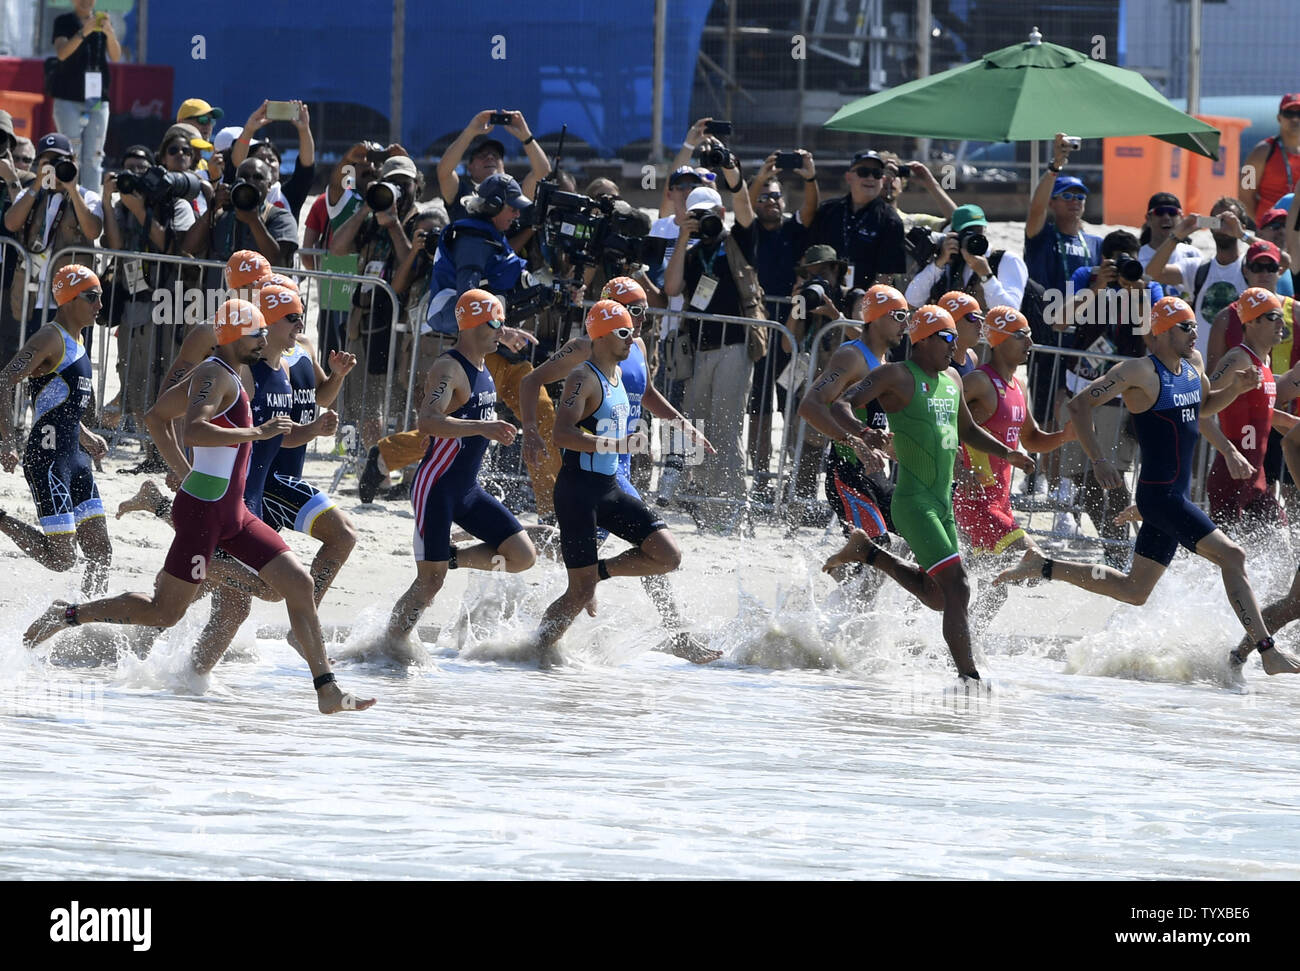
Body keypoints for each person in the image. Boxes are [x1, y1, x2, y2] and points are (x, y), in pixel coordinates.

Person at [24, 299, 376, 713]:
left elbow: (156, 416)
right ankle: (66, 615)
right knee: (163, 612)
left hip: (234, 514)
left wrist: (188, 469)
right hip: (204, 513)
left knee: (299, 583)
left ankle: (327, 689)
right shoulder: (213, 374)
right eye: (257, 331)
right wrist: (253, 432)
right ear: (232, 336)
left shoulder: (235, 372)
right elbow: (191, 427)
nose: (264, 337)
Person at [994, 297, 1300, 675]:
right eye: (1185, 327)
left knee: (1134, 591)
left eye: (1193, 327)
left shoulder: (1193, 366)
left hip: (1170, 497)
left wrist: (1235, 388)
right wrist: (1099, 459)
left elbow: (1204, 407)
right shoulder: (1139, 371)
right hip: (1160, 496)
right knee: (1233, 555)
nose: (1194, 334)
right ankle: (1267, 652)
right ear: (1162, 331)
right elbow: (1078, 405)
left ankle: (1044, 566)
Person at [821, 305, 1035, 682]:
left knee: (939, 596)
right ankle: (969, 678)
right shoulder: (897, 375)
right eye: (949, 338)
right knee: (960, 586)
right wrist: (860, 433)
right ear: (923, 339)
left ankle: (870, 552)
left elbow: (966, 430)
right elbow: (839, 402)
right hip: (914, 502)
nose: (955, 347)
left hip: (942, 503)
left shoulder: (953, 378)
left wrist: (1008, 453)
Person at [520, 277, 719, 663]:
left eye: (645, 309)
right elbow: (531, 381)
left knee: (647, 548)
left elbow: (645, 393)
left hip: (618, 467)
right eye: (635, 310)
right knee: (580, 556)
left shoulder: (637, 347)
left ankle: (675, 632)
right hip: (592, 464)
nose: (642, 320)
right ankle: (512, 539)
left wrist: (682, 424)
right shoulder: (582, 350)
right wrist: (530, 430)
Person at [384, 290, 539, 643]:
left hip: (467, 490)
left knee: (521, 556)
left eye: (503, 322)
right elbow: (427, 421)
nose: (502, 330)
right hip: (435, 488)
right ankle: (388, 647)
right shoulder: (449, 367)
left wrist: (503, 330)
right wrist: (483, 427)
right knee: (429, 583)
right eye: (495, 323)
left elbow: (490, 331)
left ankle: (454, 558)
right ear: (471, 325)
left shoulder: (484, 364)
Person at [0, 264, 110, 595]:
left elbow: (58, 405)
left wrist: (87, 437)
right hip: (47, 460)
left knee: (101, 551)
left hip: (76, 459)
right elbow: (5, 379)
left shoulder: (78, 339)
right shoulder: (49, 337)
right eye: (92, 297)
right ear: (68, 300)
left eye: (100, 297)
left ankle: (89, 622)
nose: (99, 306)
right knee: (62, 558)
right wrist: (7, 440)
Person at [663, 180, 762, 520]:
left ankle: (734, 503)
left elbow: (747, 214)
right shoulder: (690, 253)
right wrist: (682, 236)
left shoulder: (738, 243)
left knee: (726, 425)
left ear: (722, 213)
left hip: (733, 346)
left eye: (709, 215)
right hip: (699, 350)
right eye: (696, 216)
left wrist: (734, 178)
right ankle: (707, 500)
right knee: (697, 425)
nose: (705, 221)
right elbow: (672, 287)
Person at [954, 307, 1074, 558]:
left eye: (1029, 334)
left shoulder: (1017, 385)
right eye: (1020, 335)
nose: (1030, 341)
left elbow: (1031, 439)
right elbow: (938, 418)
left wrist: (1066, 435)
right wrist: (958, 465)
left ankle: (940, 577)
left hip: (1001, 503)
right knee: (1031, 562)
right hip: (977, 502)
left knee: (994, 590)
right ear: (998, 339)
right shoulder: (979, 381)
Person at [798, 284, 908, 549]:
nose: (906, 325)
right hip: (848, 474)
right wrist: (854, 440)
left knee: (917, 535)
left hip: (876, 475)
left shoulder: (880, 362)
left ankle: (841, 572)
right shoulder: (851, 357)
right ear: (879, 318)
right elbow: (810, 405)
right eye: (901, 316)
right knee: (876, 549)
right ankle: (834, 580)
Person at [1023, 134, 1101, 434]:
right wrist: (1055, 165)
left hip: (1082, 337)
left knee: (1074, 410)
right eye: (1067, 196)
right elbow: (1035, 210)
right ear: (1054, 201)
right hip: (1046, 333)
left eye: (1080, 196)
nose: (1075, 202)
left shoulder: (1094, 242)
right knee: (1044, 413)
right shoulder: (1042, 236)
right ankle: (1037, 478)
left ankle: (1064, 478)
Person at [1203, 287, 1295, 535]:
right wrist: (1230, 452)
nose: (1281, 323)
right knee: (1225, 558)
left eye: (1281, 316)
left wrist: (1292, 422)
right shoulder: (1238, 359)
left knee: (1279, 542)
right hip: (1231, 475)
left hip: (1256, 477)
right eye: (1272, 317)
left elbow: (1260, 411)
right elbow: (1199, 409)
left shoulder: (1262, 362)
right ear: (1251, 322)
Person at [3, 133, 104, 335]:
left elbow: (93, 231)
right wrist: (38, 184)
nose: (54, 169)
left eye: (59, 161)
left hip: (72, 299)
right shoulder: (31, 194)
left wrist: (72, 189)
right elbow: (11, 223)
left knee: (70, 360)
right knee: (37, 360)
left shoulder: (87, 196)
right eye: (47, 162)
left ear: (73, 162)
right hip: (34, 298)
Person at [1145, 200, 1250, 359]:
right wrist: (1177, 235)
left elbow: (1282, 261)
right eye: (1217, 220)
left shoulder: (1254, 268)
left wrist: (1243, 235)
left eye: (1228, 220)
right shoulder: (1198, 269)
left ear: (1242, 224)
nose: (1222, 226)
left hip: (1240, 369)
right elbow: (1152, 273)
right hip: (1200, 366)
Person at [807, 151, 905, 289]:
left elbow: (885, 276)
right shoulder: (827, 210)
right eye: (863, 172)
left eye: (876, 173)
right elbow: (809, 256)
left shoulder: (891, 221)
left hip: (865, 301)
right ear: (849, 177)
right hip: (824, 294)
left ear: (882, 180)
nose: (870, 178)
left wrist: (862, 305)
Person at [905, 204, 1028, 314]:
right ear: (954, 233)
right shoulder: (949, 260)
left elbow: (1011, 313)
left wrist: (986, 275)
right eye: (967, 232)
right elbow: (912, 300)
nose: (973, 237)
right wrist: (939, 263)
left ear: (984, 230)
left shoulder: (1007, 260)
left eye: (977, 231)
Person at [50, 0, 120, 189]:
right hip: (68, 96)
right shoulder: (64, 21)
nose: (86, 2)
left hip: (95, 97)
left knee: (95, 154)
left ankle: (91, 205)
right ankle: (67, 199)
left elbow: (115, 56)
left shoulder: (101, 23)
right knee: (71, 152)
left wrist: (109, 33)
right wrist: (84, 31)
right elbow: (62, 53)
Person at [435, 110, 550, 223]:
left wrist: (526, 136)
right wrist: (470, 132)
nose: (490, 158)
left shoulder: (516, 195)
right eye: (482, 155)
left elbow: (543, 173)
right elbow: (444, 172)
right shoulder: (461, 195)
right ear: (470, 167)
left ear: (503, 166)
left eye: (496, 155)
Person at [229, 100, 316, 221]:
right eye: (260, 159)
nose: (267, 163)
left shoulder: (289, 195)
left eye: (272, 159)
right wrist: (249, 129)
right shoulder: (238, 191)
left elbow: (306, 166)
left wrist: (304, 130)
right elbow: (237, 163)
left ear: (280, 166)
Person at [1241, 93, 1300, 226]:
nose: (1295, 119)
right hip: (1271, 230)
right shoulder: (1261, 151)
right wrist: (1261, 224)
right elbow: (1244, 193)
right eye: (1289, 113)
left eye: (1299, 114)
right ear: (1279, 118)